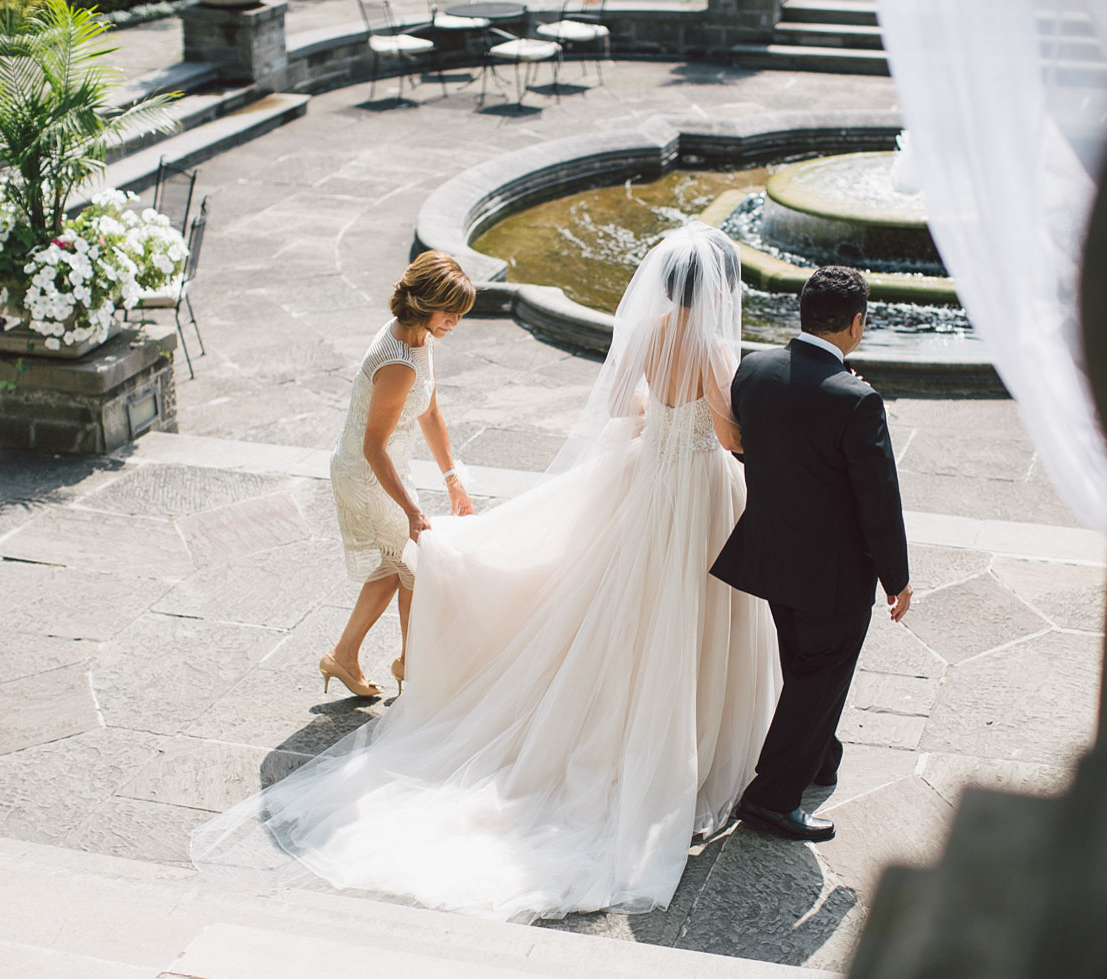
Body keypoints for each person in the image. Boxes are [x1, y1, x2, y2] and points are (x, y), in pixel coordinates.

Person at [191, 224, 780, 923]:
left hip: (649, 480)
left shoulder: (649, 331)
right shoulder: (713, 346)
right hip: (699, 492)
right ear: (715, 287)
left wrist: (663, 420)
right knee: (695, 611)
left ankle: (615, 722)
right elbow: (727, 432)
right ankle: (687, 745)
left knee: (626, 607)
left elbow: (624, 407)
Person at [712, 265, 912, 843]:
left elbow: (764, 449)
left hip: (773, 553)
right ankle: (773, 799)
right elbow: (879, 501)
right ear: (856, 323)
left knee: (803, 664)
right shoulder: (857, 400)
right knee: (820, 676)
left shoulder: (754, 369)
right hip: (834, 573)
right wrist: (896, 578)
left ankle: (819, 758)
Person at [319, 251, 476, 699]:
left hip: (387, 470)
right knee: (415, 569)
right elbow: (372, 447)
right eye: (452, 313)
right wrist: (411, 509)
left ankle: (343, 657)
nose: (456, 324)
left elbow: (429, 410)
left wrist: (452, 478)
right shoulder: (398, 361)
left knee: (396, 566)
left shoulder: (420, 341)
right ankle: (412, 667)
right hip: (364, 475)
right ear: (427, 303)